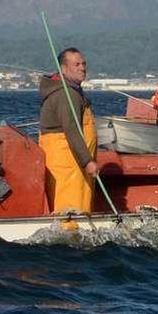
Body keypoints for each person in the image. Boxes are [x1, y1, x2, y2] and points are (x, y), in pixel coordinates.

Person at [38, 47, 98, 214]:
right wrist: (87, 161)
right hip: (68, 163)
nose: (82, 68)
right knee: (69, 208)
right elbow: (71, 130)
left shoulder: (73, 91)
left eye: (83, 64)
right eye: (76, 64)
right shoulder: (67, 95)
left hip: (71, 161)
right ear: (64, 69)